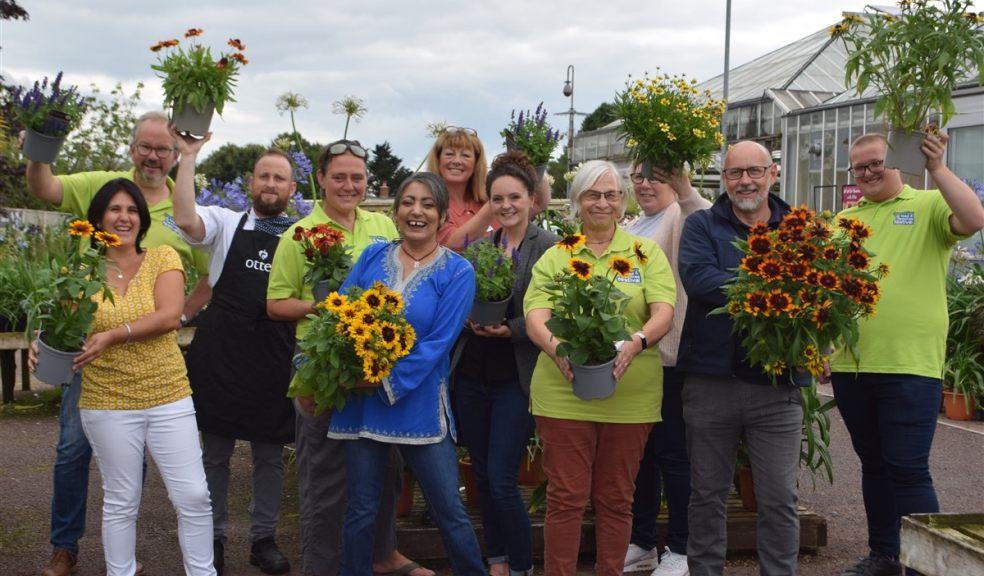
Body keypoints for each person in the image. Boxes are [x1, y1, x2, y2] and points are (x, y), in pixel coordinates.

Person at [24, 110, 211, 576]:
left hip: (163, 387)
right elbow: (44, 188)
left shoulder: (175, 224)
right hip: (102, 388)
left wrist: (171, 315)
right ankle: (75, 552)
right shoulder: (87, 248)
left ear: (173, 153)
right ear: (132, 149)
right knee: (90, 469)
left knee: (184, 491)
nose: (153, 155)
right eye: (145, 147)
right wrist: (42, 343)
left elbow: (195, 286)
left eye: (162, 148)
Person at [267, 140, 429, 576]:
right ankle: (322, 566)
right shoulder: (298, 234)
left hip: (375, 359)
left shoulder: (381, 225)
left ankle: (382, 554)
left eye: (357, 177)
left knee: (385, 463)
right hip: (322, 363)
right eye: (339, 176)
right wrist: (323, 307)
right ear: (320, 179)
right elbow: (276, 303)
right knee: (324, 473)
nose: (349, 185)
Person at [311, 172, 485, 576]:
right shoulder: (373, 257)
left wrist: (380, 379)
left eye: (427, 204)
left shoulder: (457, 272)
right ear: (396, 210)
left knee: (448, 509)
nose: (416, 211)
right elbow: (341, 315)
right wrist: (331, 371)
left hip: (419, 407)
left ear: (443, 216)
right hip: (363, 406)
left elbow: (437, 344)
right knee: (361, 509)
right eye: (408, 202)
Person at [829, 132, 984, 576]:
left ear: (895, 161)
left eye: (876, 162)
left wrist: (937, 168)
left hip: (910, 365)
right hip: (852, 365)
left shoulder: (927, 204)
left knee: (909, 469)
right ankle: (885, 555)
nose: (869, 172)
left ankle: (925, 565)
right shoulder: (843, 221)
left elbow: (974, 217)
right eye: (859, 167)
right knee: (874, 465)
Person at [524, 160, 676, 576]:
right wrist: (557, 350)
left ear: (622, 199)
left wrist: (637, 341)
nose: (602, 202)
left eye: (611, 194)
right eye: (592, 194)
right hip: (563, 391)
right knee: (566, 497)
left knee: (615, 498)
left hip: (631, 394)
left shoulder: (645, 254)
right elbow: (536, 313)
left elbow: (664, 311)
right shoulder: (558, 255)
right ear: (577, 202)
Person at [677, 140, 805, 576]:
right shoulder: (701, 226)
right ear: (724, 179)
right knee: (707, 495)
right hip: (711, 383)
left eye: (754, 171)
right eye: (735, 173)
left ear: (773, 173)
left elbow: (815, 295)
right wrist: (772, 287)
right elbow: (699, 280)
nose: (745, 181)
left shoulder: (800, 228)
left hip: (778, 387)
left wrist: (748, 288)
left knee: (779, 499)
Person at [173, 134, 298, 575]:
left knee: (269, 454)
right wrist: (188, 157)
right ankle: (213, 537)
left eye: (279, 178)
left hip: (275, 352)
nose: (270, 184)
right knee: (215, 454)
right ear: (250, 183)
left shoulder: (303, 237)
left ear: (292, 190)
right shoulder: (225, 223)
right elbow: (185, 217)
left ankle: (263, 540)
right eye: (263, 175)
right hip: (222, 351)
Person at [451, 151, 559, 576]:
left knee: (500, 476)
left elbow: (557, 312)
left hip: (517, 375)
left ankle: (521, 565)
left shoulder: (550, 248)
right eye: (497, 198)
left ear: (532, 199)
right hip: (474, 373)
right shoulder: (480, 248)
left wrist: (510, 328)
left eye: (514, 196)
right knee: (481, 472)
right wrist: (469, 320)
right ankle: (496, 558)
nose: (506, 205)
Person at [623, 165, 710, 576]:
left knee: (674, 454)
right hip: (634, 359)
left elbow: (703, 218)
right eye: (637, 175)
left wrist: (686, 190)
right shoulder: (636, 222)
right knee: (640, 457)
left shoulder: (681, 215)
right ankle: (641, 542)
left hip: (669, 355)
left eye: (655, 175)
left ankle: (681, 548)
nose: (643, 183)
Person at [424, 126, 495, 250]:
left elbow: (536, 202)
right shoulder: (429, 204)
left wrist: (531, 164)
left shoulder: (485, 200)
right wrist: (497, 200)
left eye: (466, 155)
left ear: (476, 163)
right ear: (438, 159)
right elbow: (454, 244)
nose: (457, 161)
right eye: (449, 154)